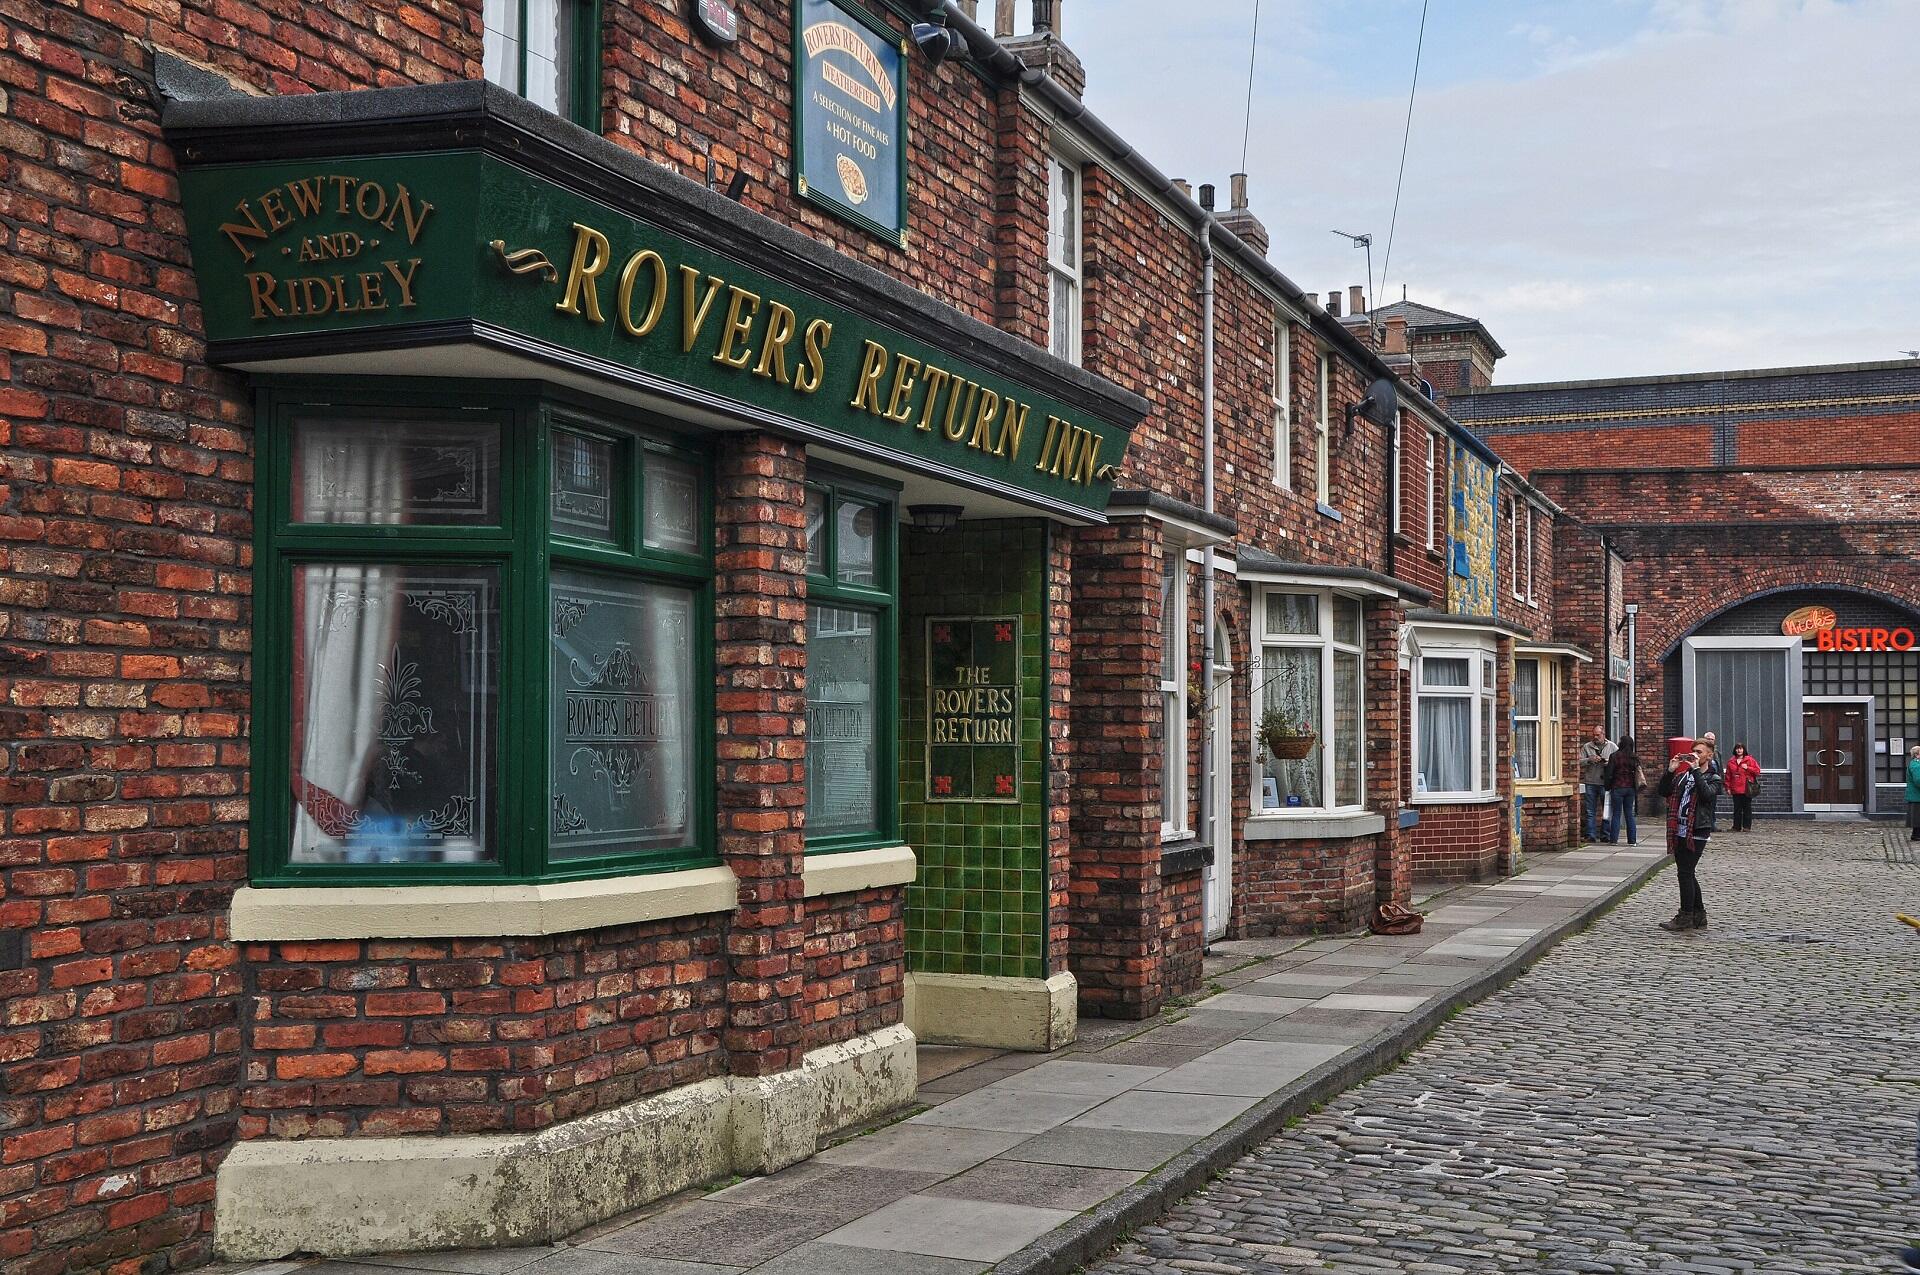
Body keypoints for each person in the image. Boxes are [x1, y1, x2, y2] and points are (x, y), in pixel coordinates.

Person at [1661, 739, 1722, 932]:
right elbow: (1663, 791)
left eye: (1700, 752)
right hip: (1679, 828)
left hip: (1696, 830)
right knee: (1687, 872)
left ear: (1709, 756)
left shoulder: (1714, 778)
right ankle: (1698, 914)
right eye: (1693, 751)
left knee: (1685, 873)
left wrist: (1696, 770)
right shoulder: (1683, 776)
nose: (1695, 755)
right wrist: (1671, 770)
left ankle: (1686, 916)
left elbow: (1706, 795)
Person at [1578, 726, 1616, 843]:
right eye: (1594, 735)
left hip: (1605, 783)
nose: (1595, 737)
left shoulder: (1612, 746)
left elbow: (1618, 762)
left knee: (1606, 810)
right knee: (1590, 811)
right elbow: (1579, 761)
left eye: (1598, 735)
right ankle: (1591, 835)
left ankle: (1605, 835)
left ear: (1603, 734)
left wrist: (1607, 763)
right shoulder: (1587, 747)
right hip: (1591, 782)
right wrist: (1589, 760)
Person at [1606, 736, 1643, 844]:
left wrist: (1607, 786)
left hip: (1617, 787)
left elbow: (1609, 773)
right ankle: (1632, 840)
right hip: (1630, 788)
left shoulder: (1614, 756)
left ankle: (1613, 840)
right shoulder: (1634, 757)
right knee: (1629, 814)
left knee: (1616, 814)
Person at [1725, 742, 1762, 832]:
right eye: (1737, 748)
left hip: (1746, 788)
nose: (1739, 750)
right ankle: (1736, 827)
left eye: (1741, 748)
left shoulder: (1750, 760)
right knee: (1737, 809)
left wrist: (1748, 768)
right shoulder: (1731, 761)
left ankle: (1747, 827)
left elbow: (1757, 771)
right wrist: (1728, 788)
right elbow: (1728, 776)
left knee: (1747, 808)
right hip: (1735, 789)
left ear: (1744, 750)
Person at [1907, 744, 1920, 843]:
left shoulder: (1914, 764)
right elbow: (1918, 780)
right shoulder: (1916, 765)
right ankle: (1916, 835)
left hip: (1915, 795)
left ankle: (1916, 834)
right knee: (1917, 816)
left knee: (1917, 816)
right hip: (1917, 795)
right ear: (1917, 755)